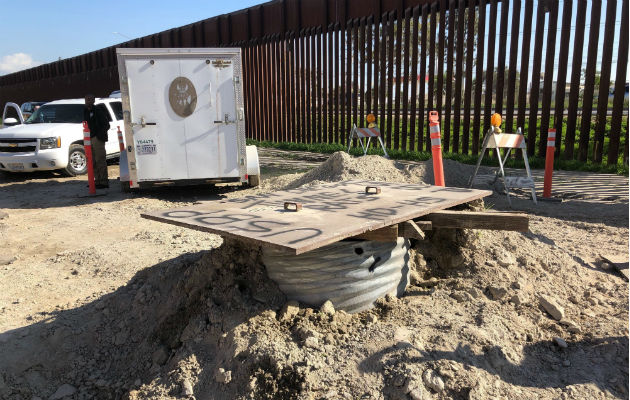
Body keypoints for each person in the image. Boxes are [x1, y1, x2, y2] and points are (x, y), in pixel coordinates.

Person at [83, 94, 110, 188]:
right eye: (86, 99)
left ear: (94, 101)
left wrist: (98, 136)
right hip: (88, 138)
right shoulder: (85, 111)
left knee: (100, 160)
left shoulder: (98, 111)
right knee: (92, 161)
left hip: (97, 138)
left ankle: (103, 182)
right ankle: (96, 180)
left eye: (90, 99)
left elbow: (106, 125)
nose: (88, 101)